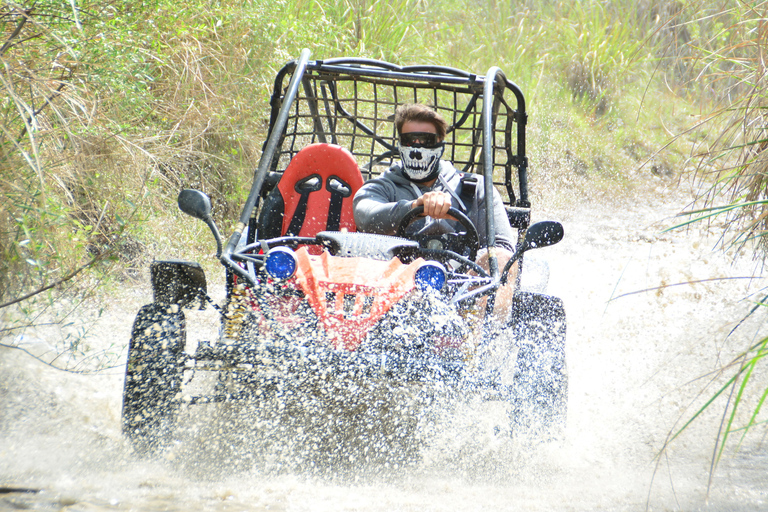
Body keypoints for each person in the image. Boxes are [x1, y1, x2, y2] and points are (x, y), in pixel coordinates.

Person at [353, 103, 518, 320]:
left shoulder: (476, 189)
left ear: (440, 144)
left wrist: (473, 277)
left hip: (462, 290)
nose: (417, 148)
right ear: (400, 144)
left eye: (426, 141)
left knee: (500, 257)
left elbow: (503, 249)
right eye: (409, 141)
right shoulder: (383, 187)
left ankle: (474, 344)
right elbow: (365, 215)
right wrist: (414, 207)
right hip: (396, 292)